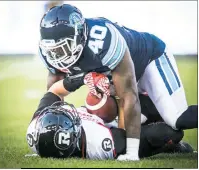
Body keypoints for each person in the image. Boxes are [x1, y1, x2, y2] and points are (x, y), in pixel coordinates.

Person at [38, 4, 197, 160]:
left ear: (79, 36)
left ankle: (163, 121)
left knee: (176, 119)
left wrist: (131, 153)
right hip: (120, 80)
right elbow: (53, 93)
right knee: (109, 124)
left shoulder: (104, 41)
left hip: (149, 62)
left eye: (63, 47)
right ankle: (172, 143)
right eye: (53, 49)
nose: (56, 55)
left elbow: (129, 96)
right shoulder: (51, 54)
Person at [26, 82, 194, 160]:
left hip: (100, 115)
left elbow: (54, 91)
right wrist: (122, 101)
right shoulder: (99, 144)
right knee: (170, 132)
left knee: (161, 107)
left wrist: (78, 79)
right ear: (77, 135)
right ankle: (172, 146)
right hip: (114, 130)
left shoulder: (37, 126)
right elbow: (126, 134)